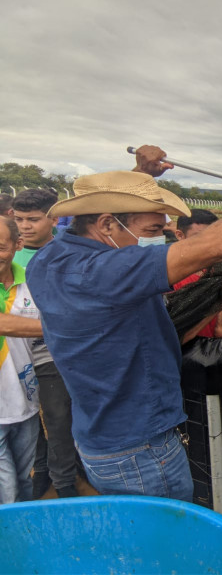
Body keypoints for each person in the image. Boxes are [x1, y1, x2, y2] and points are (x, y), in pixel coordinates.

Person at [26, 168, 222, 501]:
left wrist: (140, 175)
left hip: (101, 435)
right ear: (107, 224)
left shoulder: (49, 259)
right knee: (165, 542)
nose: (160, 235)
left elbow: (168, 333)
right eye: (152, 230)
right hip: (140, 447)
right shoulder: (104, 270)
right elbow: (221, 244)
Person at [12, 189, 80, 499]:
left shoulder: (68, 249)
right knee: (28, 421)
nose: (25, 226)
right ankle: (40, 477)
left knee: (58, 418)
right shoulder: (8, 251)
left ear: (53, 220)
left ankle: (64, 485)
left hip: (53, 350)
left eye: (33, 219)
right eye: (19, 219)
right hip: (14, 353)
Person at [0, 217, 42, 504]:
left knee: (27, 483)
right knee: (8, 492)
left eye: (0, 247)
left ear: (18, 245)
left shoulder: (34, 283)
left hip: (25, 405)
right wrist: (66, 325)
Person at [172, 209, 222, 343]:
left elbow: (219, 327)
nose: (208, 244)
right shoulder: (170, 278)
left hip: (208, 354)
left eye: (214, 238)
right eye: (200, 237)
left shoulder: (213, 271)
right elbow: (178, 336)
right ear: (180, 235)